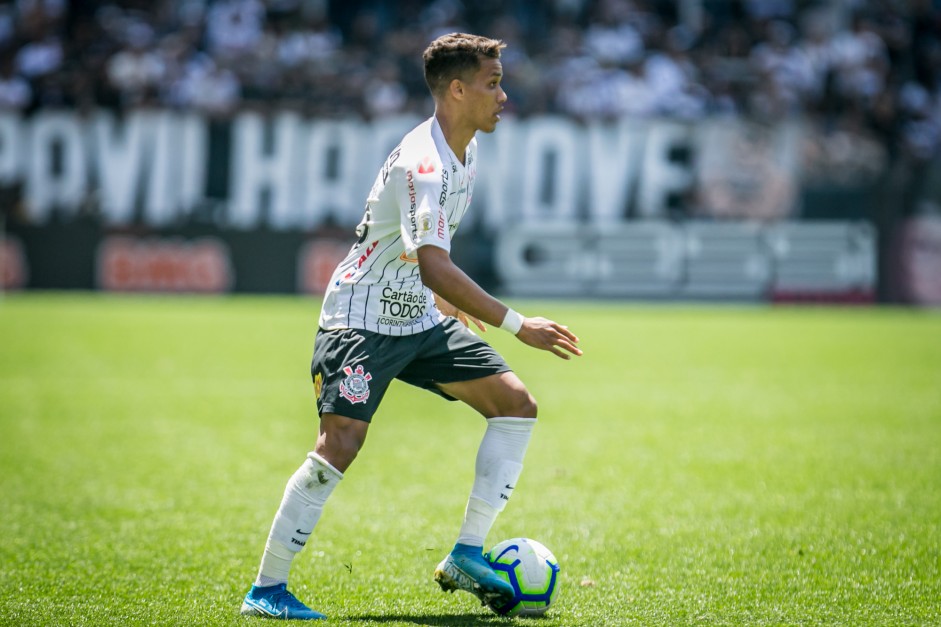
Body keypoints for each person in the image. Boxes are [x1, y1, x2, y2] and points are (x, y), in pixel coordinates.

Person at [240, 32, 582, 621]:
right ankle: (266, 590)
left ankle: (466, 554)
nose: (504, 95)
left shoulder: (466, 149)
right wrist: (517, 324)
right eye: (492, 83)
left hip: (418, 316)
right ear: (455, 89)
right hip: (360, 321)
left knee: (514, 404)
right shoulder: (426, 164)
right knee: (340, 444)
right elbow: (434, 263)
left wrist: (442, 303)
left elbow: (422, 259)